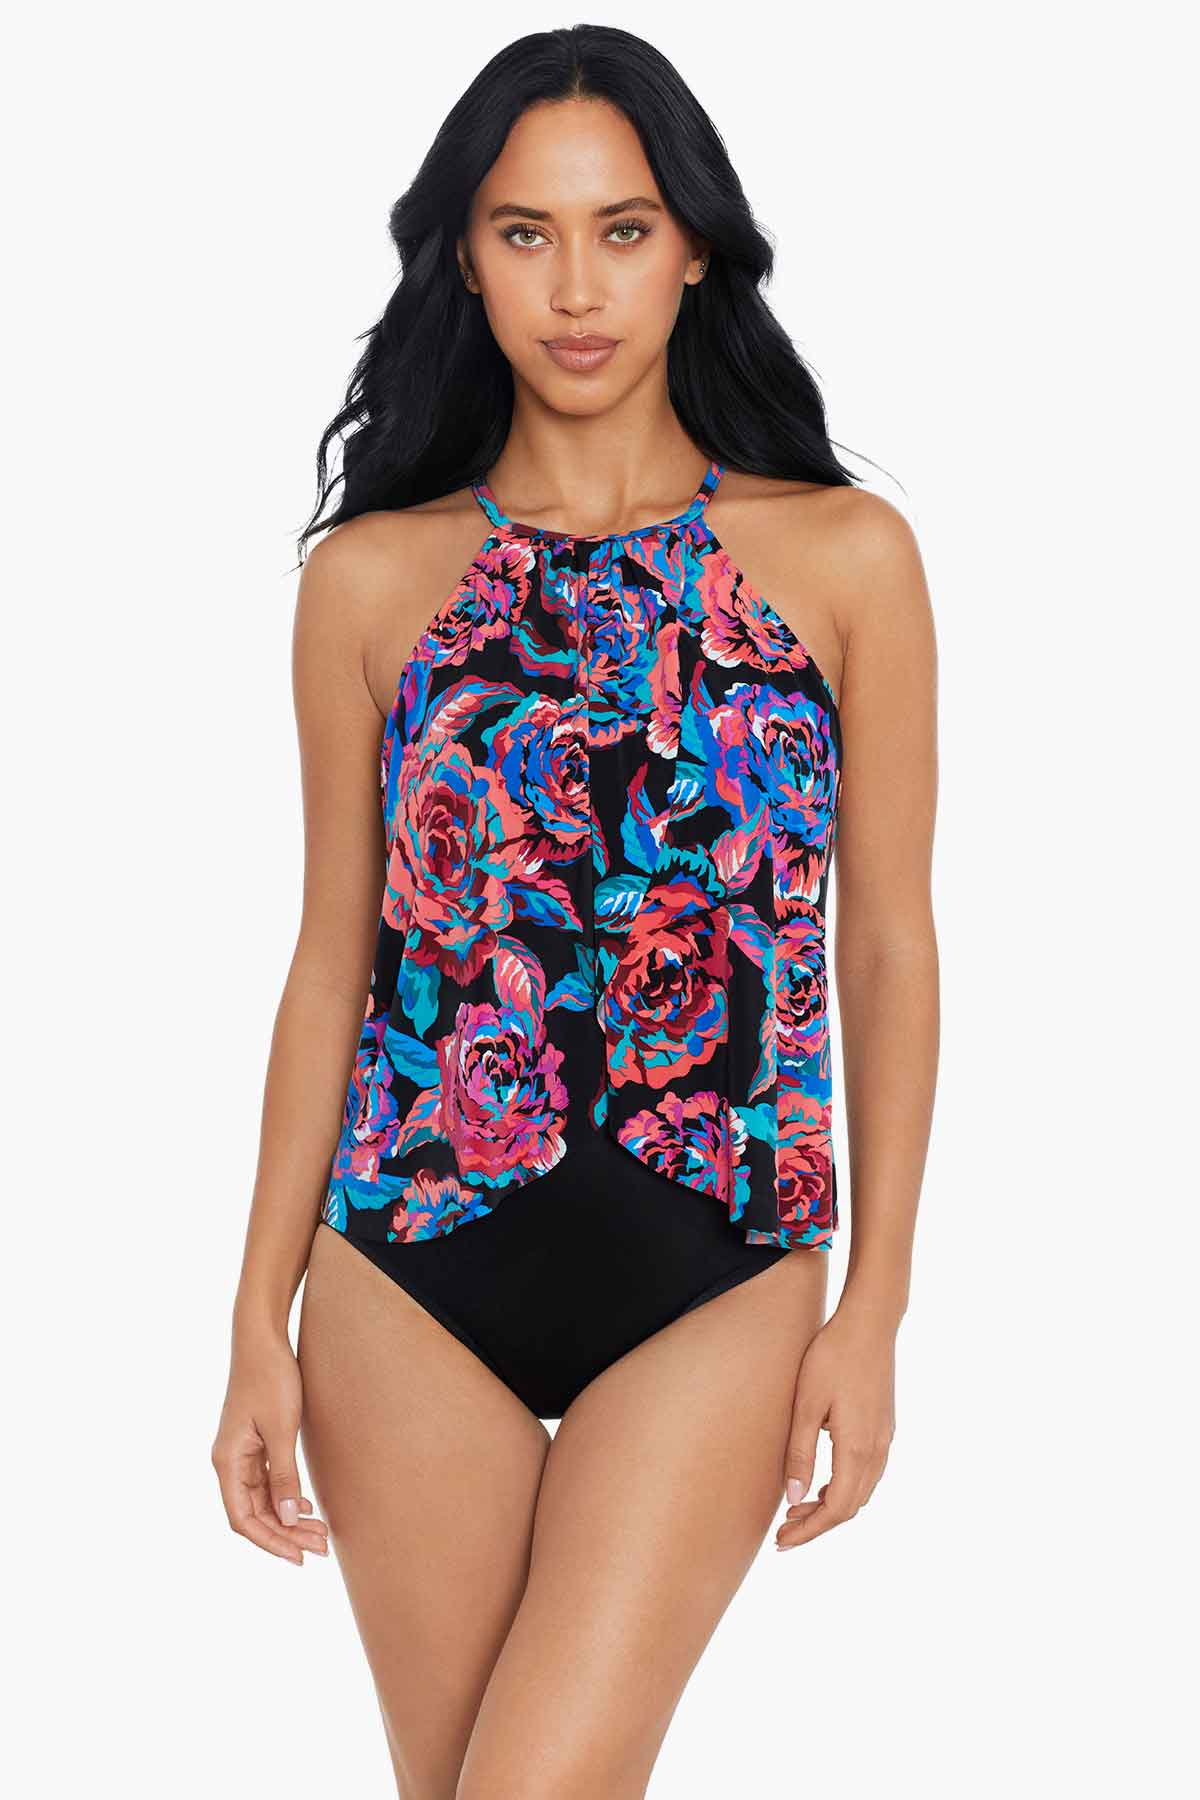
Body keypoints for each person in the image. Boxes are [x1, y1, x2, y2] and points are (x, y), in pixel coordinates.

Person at [211, 24, 938, 1797]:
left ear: (694, 247)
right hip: (406, 1262)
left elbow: (889, 943)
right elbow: (331, 959)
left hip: (720, 1261)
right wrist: (252, 1319)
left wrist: (877, 1309)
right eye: (524, 233)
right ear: (465, 258)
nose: (577, 287)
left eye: (623, 230)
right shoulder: (371, 582)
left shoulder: (843, 558)